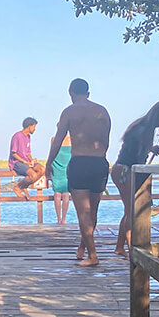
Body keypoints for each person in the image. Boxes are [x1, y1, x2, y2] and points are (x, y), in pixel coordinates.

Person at [45, 78, 111, 267]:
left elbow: (58, 140)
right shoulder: (102, 111)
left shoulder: (69, 112)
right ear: (88, 93)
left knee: (83, 212)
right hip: (99, 162)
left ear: (71, 93)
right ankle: (83, 248)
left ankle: (93, 255)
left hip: (80, 162)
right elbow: (106, 140)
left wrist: (49, 163)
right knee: (93, 210)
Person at [110, 100, 159, 255]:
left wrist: (150, 149)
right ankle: (132, 249)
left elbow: (135, 148)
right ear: (158, 116)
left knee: (129, 210)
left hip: (120, 169)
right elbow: (138, 159)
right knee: (132, 212)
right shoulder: (146, 130)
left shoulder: (140, 125)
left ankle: (120, 247)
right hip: (125, 171)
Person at [8, 117, 45, 199]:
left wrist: (31, 160)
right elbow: (14, 153)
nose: (35, 129)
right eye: (34, 127)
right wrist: (25, 162)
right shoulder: (17, 136)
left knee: (42, 169)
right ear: (29, 126)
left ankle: (24, 186)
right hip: (17, 162)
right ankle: (17, 187)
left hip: (26, 161)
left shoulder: (28, 137)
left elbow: (28, 152)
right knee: (33, 175)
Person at [50, 134, 72, 224]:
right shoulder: (71, 139)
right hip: (62, 167)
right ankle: (61, 219)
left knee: (60, 194)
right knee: (62, 194)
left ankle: (60, 219)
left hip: (61, 167)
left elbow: (51, 154)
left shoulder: (54, 139)